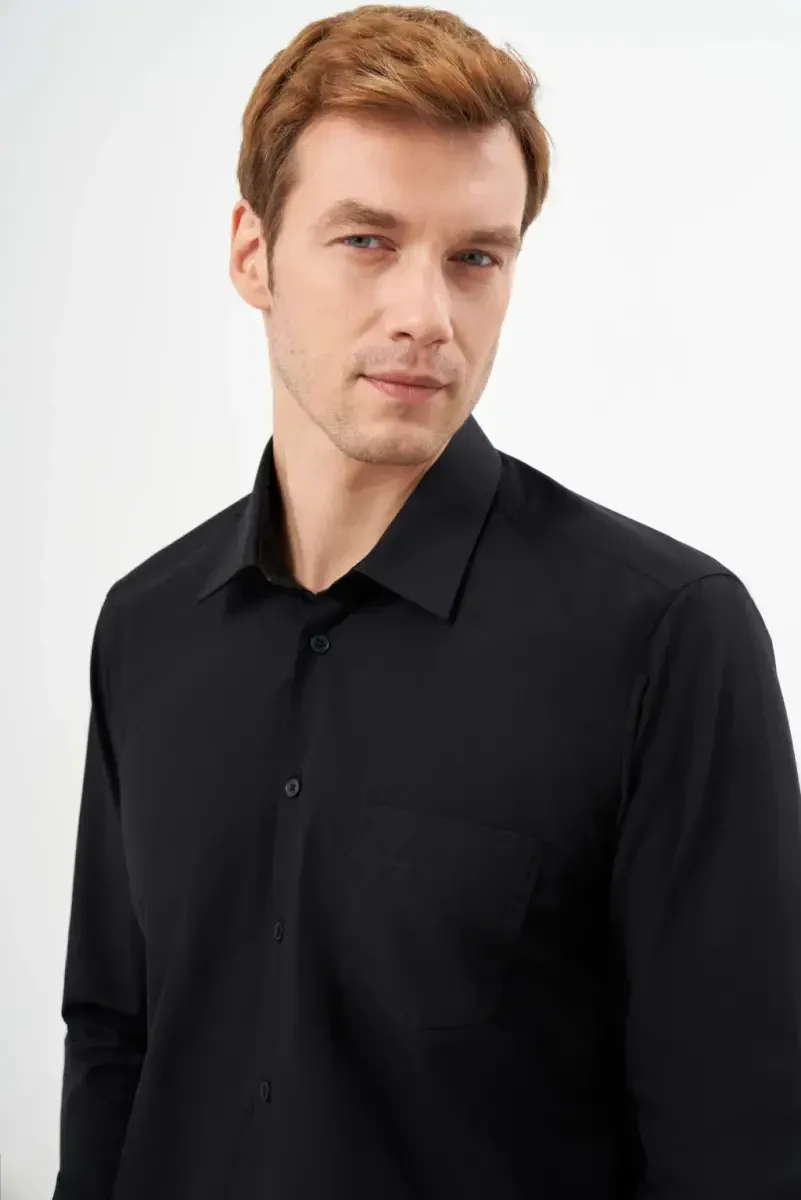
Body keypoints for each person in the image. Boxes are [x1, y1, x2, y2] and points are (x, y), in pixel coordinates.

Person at [53, 5, 801, 1198]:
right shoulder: (144, 627)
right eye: (367, 240)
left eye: (475, 258)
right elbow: (113, 1046)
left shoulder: (665, 637)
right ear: (252, 253)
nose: (427, 317)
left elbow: (741, 1138)